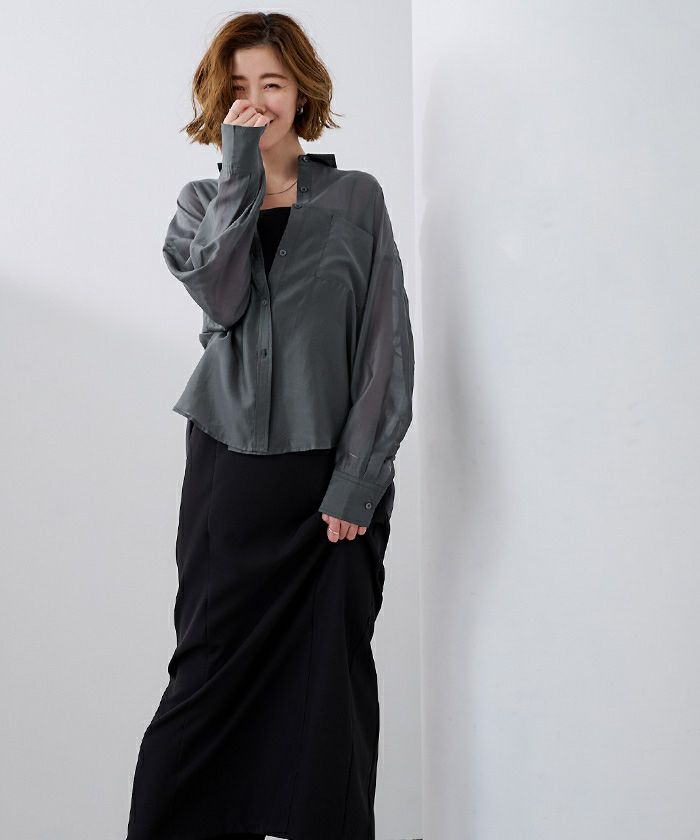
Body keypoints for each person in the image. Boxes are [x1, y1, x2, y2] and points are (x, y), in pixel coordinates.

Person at [125, 11, 414, 840]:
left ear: (302, 92)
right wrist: (240, 170)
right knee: (206, 676)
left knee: (330, 690)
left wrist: (359, 479)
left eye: (273, 84)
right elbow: (222, 299)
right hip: (233, 477)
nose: (257, 101)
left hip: (333, 490)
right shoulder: (199, 205)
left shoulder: (357, 200)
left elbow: (385, 346)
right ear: (221, 103)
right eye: (239, 88)